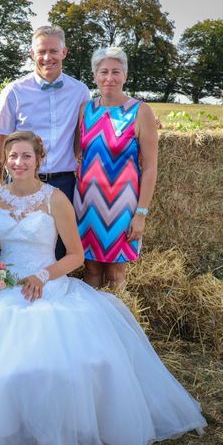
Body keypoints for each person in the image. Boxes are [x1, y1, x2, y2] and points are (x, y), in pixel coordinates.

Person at [0, 131, 205, 445]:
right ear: (4, 160)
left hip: (48, 283)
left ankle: (53, 427)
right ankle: (2, 425)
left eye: (26, 156)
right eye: (13, 156)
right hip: (5, 285)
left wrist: (43, 276)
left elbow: (75, 255)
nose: (18, 162)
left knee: (53, 348)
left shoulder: (55, 199)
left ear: (39, 161)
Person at [0, 25, 90, 258]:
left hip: (63, 182)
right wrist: (3, 182)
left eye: (54, 51)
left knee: (57, 253)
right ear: (32, 53)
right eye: (41, 51)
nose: (47, 57)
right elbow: (1, 143)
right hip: (22, 181)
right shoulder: (14, 91)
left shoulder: (80, 91)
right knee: (19, 248)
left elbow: (83, 132)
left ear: (64, 52)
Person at [74, 47, 158, 288]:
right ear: (94, 76)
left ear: (125, 76)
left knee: (115, 272)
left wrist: (141, 213)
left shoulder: (141, 111)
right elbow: (79, 152)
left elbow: (151, 167)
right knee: (90, 269)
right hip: (87, 203)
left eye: (115, 72)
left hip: (122, 205)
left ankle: (116, 323)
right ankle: (93, 324)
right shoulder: (86, 109)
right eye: (103, 72)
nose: (109, 78)